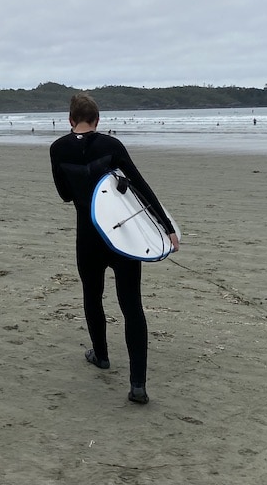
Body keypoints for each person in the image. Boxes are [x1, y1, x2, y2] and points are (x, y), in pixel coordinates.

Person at [49, 93, 179, 405]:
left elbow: (65, 195)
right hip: (122, 238)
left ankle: (102, 356)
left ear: (70, 120)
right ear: (98, 120)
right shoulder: (111, 146)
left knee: (92, 296)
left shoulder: (58, 148)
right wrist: (168, 228)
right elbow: (142, 186)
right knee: (132, 305)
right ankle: (138, 386)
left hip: (88, 236)